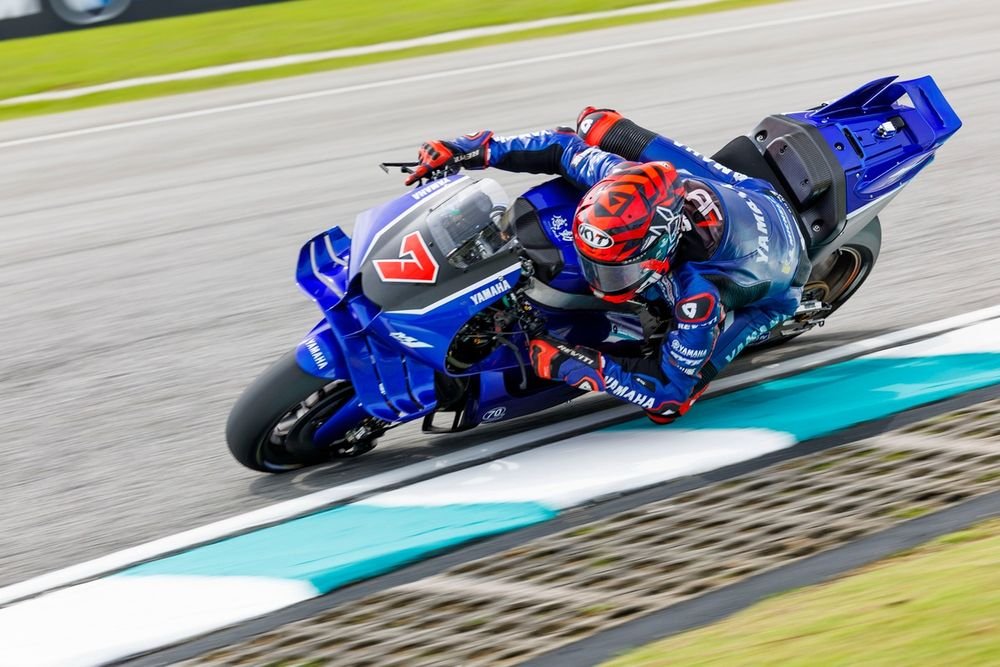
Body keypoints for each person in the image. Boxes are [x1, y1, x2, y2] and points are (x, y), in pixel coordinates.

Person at [404, 108, 810, 424]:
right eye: (594, 264)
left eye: (616, 271)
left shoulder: (697, 296)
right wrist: (470, 149)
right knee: (595, 124)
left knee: (677, 383)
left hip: (781, 271)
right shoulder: (619, 176)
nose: (600, 283)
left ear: (661, 246)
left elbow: (668, 398)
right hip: (744, 192)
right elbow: (560, 146)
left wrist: (575, 363)